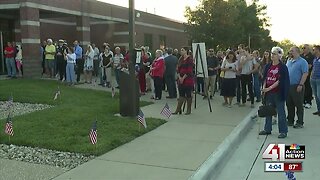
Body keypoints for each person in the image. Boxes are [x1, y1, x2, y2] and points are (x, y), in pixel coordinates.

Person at [259, 46, 290, 139]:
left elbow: (280, 81)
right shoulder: (268, 66)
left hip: (278, 93)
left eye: (274, 54)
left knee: (281, 112)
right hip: (268, 94)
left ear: (279, 55)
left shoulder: (283, 67)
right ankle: (267, 129)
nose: (272, 55)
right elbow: (265, 78)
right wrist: (264, 87)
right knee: (268, 111)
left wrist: (269, 88)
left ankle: (283, 131)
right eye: (272, 53)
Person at [286, 46, 309, 128]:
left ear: (297, 52)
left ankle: (300, 122)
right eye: (290, 51)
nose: (290, 52)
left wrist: (301, 84)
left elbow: (305, 73)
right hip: (288, 86)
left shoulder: (303, 62)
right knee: (289, 104)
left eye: (292, 51)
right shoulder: (289, 61)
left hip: (297, 86)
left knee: (298, 104)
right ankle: (290, 120)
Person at [173, 47, 194, 115]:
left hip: (187, 79)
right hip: (180, 78)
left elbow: (189, 70)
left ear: (186, 51)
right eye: (181, 50)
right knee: (181, 94)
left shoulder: (189, 59)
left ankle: (188, 109)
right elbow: (178, 69)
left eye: (182, 50)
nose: (181, 51)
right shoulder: (180, 59)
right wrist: (179, 77)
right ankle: (178, 109)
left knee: (188, 94)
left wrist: (183, 77)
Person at [300, 44, 314, 109]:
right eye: (302, 48)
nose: (303, 49)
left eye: (304, 48)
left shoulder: (311, 56)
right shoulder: (301, 56)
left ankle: (308, 102)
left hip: (308, 74)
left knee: (308, 88)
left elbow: (310, 65)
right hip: (301, 74)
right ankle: (303, 101)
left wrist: (302, 68)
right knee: (302, 87)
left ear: (308, 49)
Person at [310, 45, 320, 116]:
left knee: (319, 95)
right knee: (316, 96)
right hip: (313, 78)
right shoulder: (315, 59)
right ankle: (319, 110)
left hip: (319, 79)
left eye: (314, 49)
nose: (313, 50)